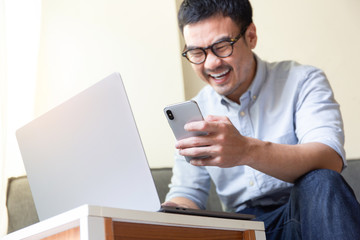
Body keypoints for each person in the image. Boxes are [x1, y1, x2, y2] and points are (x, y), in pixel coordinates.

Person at [162, 0, 360, 239]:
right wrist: (165, 212)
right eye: (197, 52)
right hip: (243, 229)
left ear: (251, 36)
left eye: (222, 46)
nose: (211, 63)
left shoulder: (303, 81)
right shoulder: (197, 112)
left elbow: (329, 159)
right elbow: (188, 193)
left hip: (308, 212)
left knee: (323, 180)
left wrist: (247, 150)